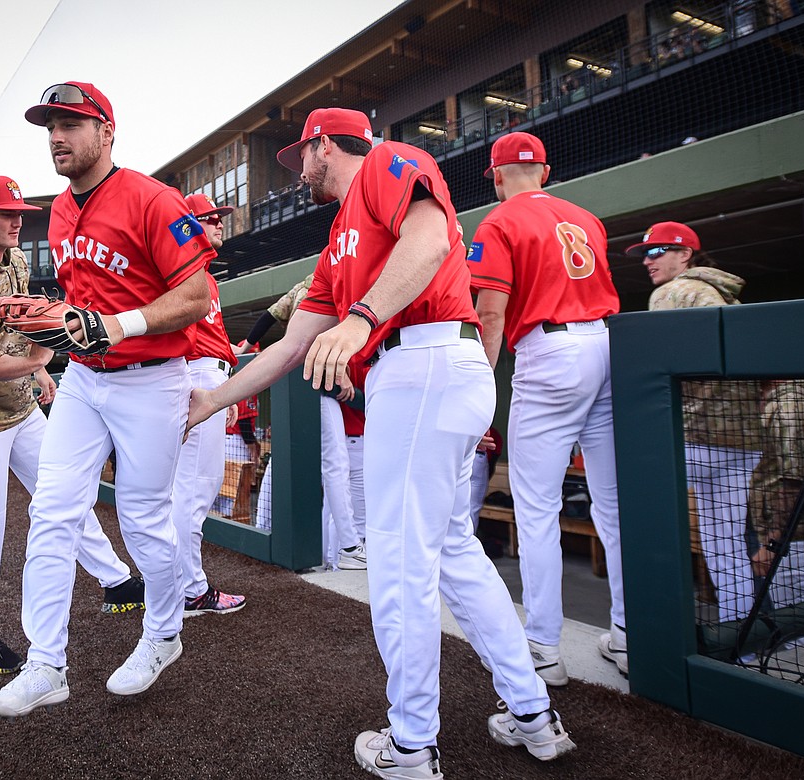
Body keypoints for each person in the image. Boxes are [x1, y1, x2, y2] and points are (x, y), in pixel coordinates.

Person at [188, 108, 574, 776]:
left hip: (422, 361)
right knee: (452, 549)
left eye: (298, 159)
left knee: (399, 564)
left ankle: (413, 744)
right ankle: (534, 713)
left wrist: (362, 318)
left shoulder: (387, 161)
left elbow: (426, 240)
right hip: (428, 371)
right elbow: (293, 344)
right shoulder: (340, 234)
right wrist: (214, 400)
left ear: (323, 145)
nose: (297, 172)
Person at [0, 82, 214, 718]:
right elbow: (86, 312)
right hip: (84, 379)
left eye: (72, 124)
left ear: (106, 131)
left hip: (152, 379)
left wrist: (120, 325)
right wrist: (53, 316)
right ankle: (44, 664)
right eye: (50, 125)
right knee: (53, 512)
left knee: (142, 520)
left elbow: (196, 297)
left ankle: (164, 634)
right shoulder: (58, 209)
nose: (57, 136)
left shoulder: (153, 198)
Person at [0, 175, 145, 676]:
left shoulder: (16, 260)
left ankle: (115, 581)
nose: (16, 221)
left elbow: (20, 330)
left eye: (19, 212)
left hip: (18, 404)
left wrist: (39, 369)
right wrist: (47, 355)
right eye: (4, 213)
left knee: (61, 493)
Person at [469, 132, 626, 683]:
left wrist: (478, 390)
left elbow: (490, 317)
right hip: (606, 344)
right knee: (612, 505)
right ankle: (629, 637)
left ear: (495, 175)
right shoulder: (586, 217)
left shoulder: (498, 222)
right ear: (547, 171)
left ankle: (541, 647)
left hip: (550, 350)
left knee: (535, 511)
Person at [626, 221, 763, 623]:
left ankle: (655, 632)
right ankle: (744, 640)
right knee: (726, 544)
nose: (648, 261)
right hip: (742, 439)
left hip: (694, 438)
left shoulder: (673, 292)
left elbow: (663, 367)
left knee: (647, 528)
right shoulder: (726, 296)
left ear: (685, 254)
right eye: (645, 254)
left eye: (657, 252)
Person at [238, 272, 367, 569]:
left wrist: (245, 346)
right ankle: (349, 546)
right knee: (335, 463)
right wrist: (339, 369)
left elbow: (268, 317)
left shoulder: (304, 283)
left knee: (280, 459)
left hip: (292, 374)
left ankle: (262, 527)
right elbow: (331, 331)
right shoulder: (337, 279)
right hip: (317, 376)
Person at [173, 192, 246, 616]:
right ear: (192, 225)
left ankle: (178, 585)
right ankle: (190, 589)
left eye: (219, 217)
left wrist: (225, 388)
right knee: (194, 491)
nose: (219, 223)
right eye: (211, 218)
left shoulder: (205, 272)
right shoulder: (188, 271)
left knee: (190, 489)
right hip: (197, 374)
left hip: (209, 375)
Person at [748, 380, 804, 610]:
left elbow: (795, 483)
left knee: (799, 633)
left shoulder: (791, 405)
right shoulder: (795, 401)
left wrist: (774, 543)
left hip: (802, 540)